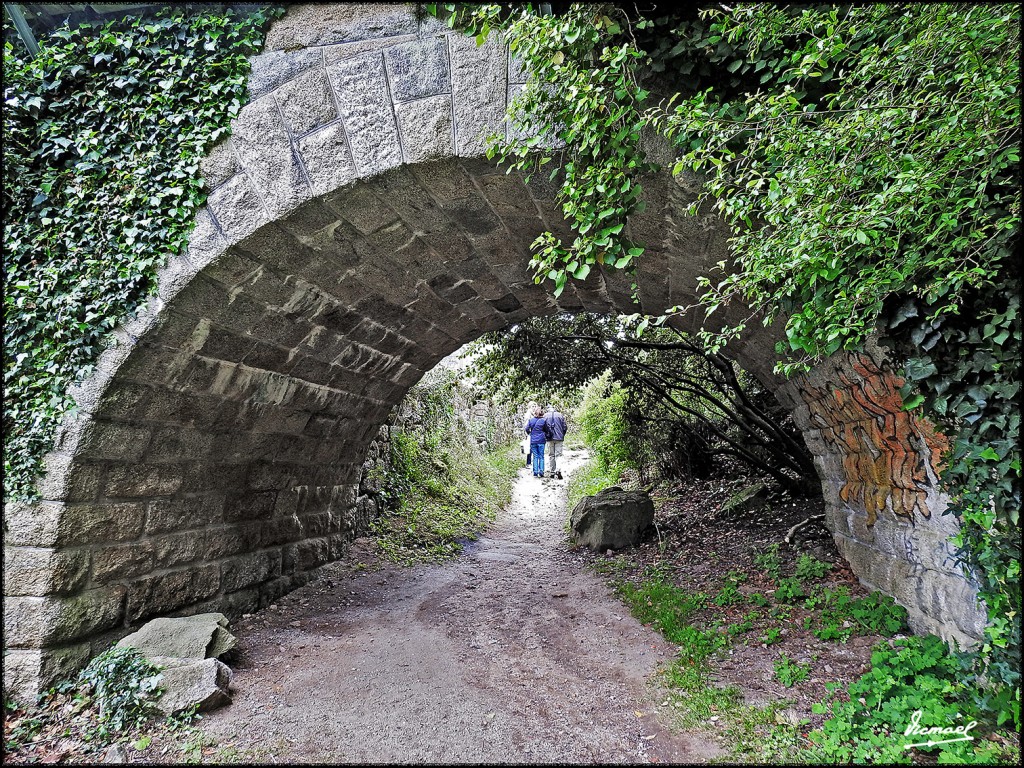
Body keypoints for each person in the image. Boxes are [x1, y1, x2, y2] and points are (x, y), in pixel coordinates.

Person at [525, 405, 550, 478]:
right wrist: (546, 435)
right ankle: (541, 471)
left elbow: (526, 428)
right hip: (541, 440)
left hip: (533, 440)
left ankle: (535, 471)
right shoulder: (544, 420)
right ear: (542, 413)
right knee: (541, 456)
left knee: (535, 456)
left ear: (535, 413)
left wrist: (530, 433)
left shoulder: (531, 420)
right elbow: (547, 430)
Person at [543, 404, 568, 479]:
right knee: (559, 455)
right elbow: (565, 427)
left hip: (549, 438)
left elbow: (543, 427)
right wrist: (562, 434)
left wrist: (545, 435)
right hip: (559, 438)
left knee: (551, 455)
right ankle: (558, 470)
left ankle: (552, 472)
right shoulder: (560, 415)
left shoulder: (545, 416)